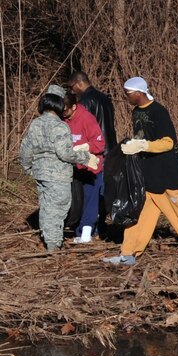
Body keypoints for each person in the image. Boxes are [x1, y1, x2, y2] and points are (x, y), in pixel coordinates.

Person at [103, 77, 178, 266]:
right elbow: (142, 137)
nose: (127, 97)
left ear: (138, 93)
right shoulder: (136, 112)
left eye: (128, 94)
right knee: (139, 212)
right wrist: (134, 145)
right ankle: (128, 253)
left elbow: (168, 142)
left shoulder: (159, 112)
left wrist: (143, 145)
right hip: (147, 172)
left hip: (166, 171)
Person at [19, 84, 98, 252]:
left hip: (40, 173)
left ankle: (49, 239)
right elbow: (65, 154)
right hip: (58, 175)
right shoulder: (60, 126)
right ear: (59, 105)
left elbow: (26, 148)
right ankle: (54, 245)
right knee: (58, 209)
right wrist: (85, 157)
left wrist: (27, 167)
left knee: (46, 207)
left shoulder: (35, 124)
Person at [62, 92, 106, 243]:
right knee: (77, 201)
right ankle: (79, 230)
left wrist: (86, 146)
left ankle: (86, 232)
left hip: (90, 167)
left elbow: (100, 143)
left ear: (74, 107)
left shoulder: (87, 118)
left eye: (66, 110)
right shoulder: (64, 120)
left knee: (90, 200)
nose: (64, 113)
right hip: (73, 168)